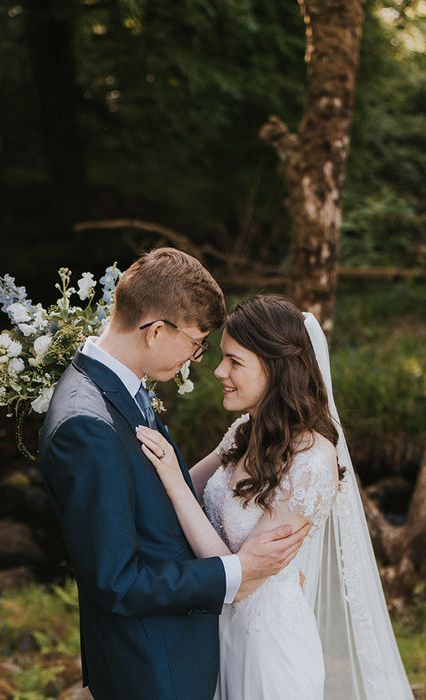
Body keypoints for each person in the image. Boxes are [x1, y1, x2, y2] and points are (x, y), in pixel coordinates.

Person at [37, 250, 310, 700]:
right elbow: (117, 583)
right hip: (154, 668)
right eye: (197, 342)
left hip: (181, 653)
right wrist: (238, 570)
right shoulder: (87, 426)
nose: (198, 358)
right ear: (157, 330)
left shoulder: (122, 390)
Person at [136, 294, 415, 699]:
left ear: (274, 368)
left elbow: (242, 580)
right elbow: (178, 487)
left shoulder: (311, 462)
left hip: (268, 652)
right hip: (216, 635)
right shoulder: (241, 433)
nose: (218, 371)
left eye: (234, 361)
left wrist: (174, 483)